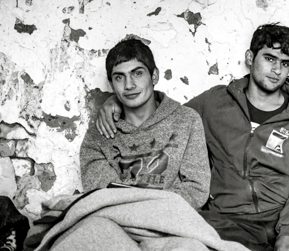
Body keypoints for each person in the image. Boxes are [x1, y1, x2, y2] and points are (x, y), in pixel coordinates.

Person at [96, 24, 289, 250]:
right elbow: (170, 119)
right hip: (229, 221)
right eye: (269, 58)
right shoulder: (214, 103)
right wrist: (117, 101)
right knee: (179, 224)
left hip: (283, 216)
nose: (276, 70)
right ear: (250, 58)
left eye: (285, 63)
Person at [80, 37, 210, 210]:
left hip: (173, 217)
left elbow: (196, 190)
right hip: (117, 219)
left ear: (154, 76)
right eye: (119, 77)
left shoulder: (187, 120)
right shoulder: (97, 136)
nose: (129, 85)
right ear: (111, 84)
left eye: (137, 73)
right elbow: (103, 198)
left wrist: (150, 211)